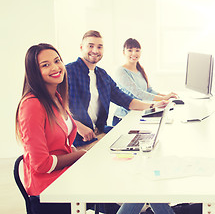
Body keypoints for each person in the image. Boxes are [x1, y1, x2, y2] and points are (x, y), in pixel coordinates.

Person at [15, 43, 87, 214]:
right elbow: (41, 164)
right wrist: (81, 155)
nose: (55, 67)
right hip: (48, 190)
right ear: (34, 72)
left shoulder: (55, 97)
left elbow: (62, 144)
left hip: (64, 178)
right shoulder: (31, 105)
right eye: (45, 65)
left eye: (57, 61)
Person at [66, 30, 168, 148]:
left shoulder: (102, 75)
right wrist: (76, 125)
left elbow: (125, 100)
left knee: (145, 143)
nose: (95, 50)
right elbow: (54, 107)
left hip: (99, 134)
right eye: (91, 46)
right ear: (81, 47)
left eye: (99, 47)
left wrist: (154, 106)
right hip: (78, 141)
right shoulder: (68, 72)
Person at [112, 38, 178, 126]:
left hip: (138, 113)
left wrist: (167, 96)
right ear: (124, 52)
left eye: (137, 50)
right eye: (130, 50)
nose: (134, 53)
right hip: (124, 117)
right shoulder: (120, 71)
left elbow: (149, 90)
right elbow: (138, 93)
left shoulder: (140, 70)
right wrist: (164, 98)